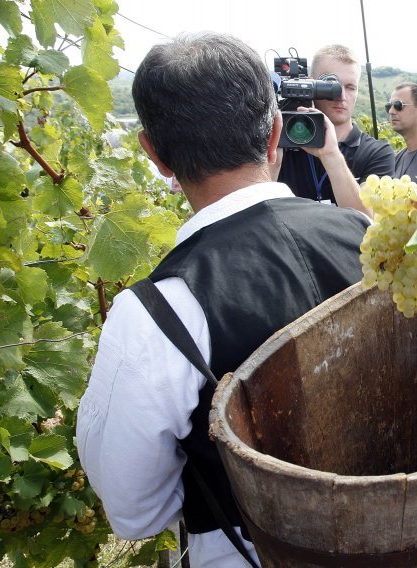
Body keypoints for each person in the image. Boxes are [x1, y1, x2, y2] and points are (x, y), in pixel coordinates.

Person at [76, 33, 370, 568]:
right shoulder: (365, 236)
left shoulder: (158, 312)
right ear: (276, 132)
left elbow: (134, 512)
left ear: (156, 155)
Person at [276, 44, 394, 211]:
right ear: (309, 85)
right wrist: (273, 154)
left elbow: (368, 220)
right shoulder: (284, 145)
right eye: (331, 85)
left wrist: (331, 156)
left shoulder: (376, 153)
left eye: (350, 87)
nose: (341, 96)